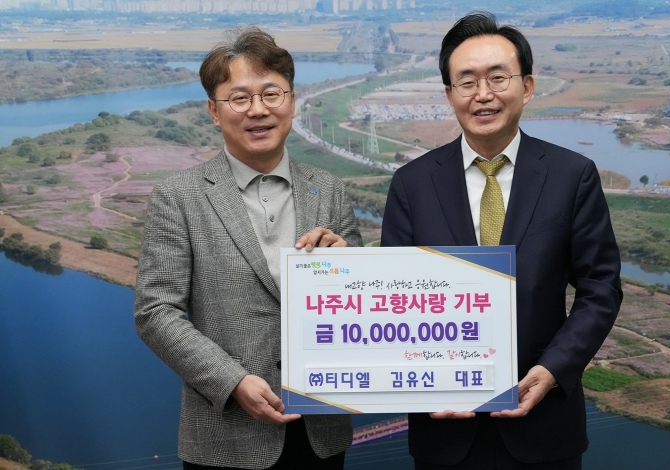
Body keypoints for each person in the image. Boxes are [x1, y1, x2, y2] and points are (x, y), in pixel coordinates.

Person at [381, 12, 622, 470]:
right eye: (467, 81)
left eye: (497, 77)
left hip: (544, 425)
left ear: (527, 86)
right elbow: (395, 299)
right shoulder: (412, 184)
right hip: (444, 432)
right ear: (449, 94)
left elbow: (601, 288)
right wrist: (423, 386)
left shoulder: (572, 176)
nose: (483, 94)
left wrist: (553, 370)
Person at [133, 26, 361, 470]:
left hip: (322, 432)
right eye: (239, 98)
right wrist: (233, 381)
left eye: (271, 94)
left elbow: (359, 303)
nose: (258, 109)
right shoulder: (179, 197)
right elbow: (155, 311)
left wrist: (348, 261)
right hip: (226, 439)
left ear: (292, 101)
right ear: (214, 112)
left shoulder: (330, 189)